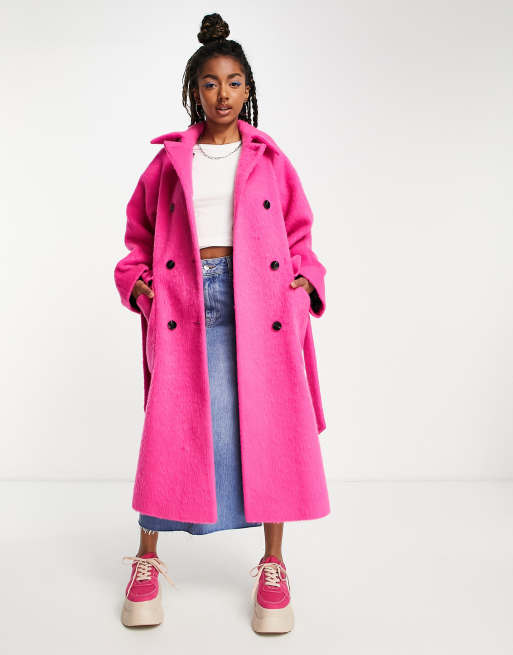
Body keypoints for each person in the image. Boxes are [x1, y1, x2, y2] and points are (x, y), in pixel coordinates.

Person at [115, 12, 329, 634]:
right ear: (194, 91)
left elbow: (300, 235)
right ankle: (147, 558)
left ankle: (273, 565)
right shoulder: (168, 163)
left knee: (267, 425)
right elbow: (137, 237)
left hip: (261, 304)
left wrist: (304, 284)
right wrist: (141, 284)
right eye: (210, 83)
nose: (223, 94)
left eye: (234, 82)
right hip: (186, 299)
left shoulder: (270, 160)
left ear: (248, 88)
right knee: (173, 427)